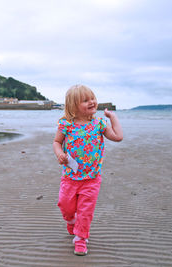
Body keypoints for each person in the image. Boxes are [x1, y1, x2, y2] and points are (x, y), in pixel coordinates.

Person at [53, 84, 123, 256]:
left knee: (85, 211)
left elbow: (118, 137)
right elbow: (56, 142)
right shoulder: (66, 125)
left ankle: (81, 239)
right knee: (65, 205)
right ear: (73, 106)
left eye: (92, 98)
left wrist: (112, 117)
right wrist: (59, 153)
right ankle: (71, 221)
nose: (91, 102)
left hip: (92, 179)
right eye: (85, 100)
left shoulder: (99, 124)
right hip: (70, 177)